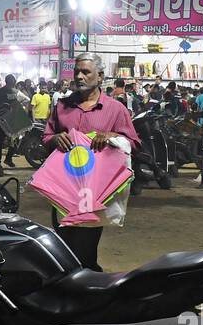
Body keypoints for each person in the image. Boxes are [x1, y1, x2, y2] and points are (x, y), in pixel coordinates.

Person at [42, 53, 139, 270]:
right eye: (77, 71)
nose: (79, 76)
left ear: (100, 76)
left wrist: (111, 136)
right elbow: (47, 137)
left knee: (85, 247)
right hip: (63, 187)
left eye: (85, 72)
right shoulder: (61, 107)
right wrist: (55, 138)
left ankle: (87, 287)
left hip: (94, 191)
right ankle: (71, 286)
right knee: (63, 244)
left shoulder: (115, 109)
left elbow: (133, 143)